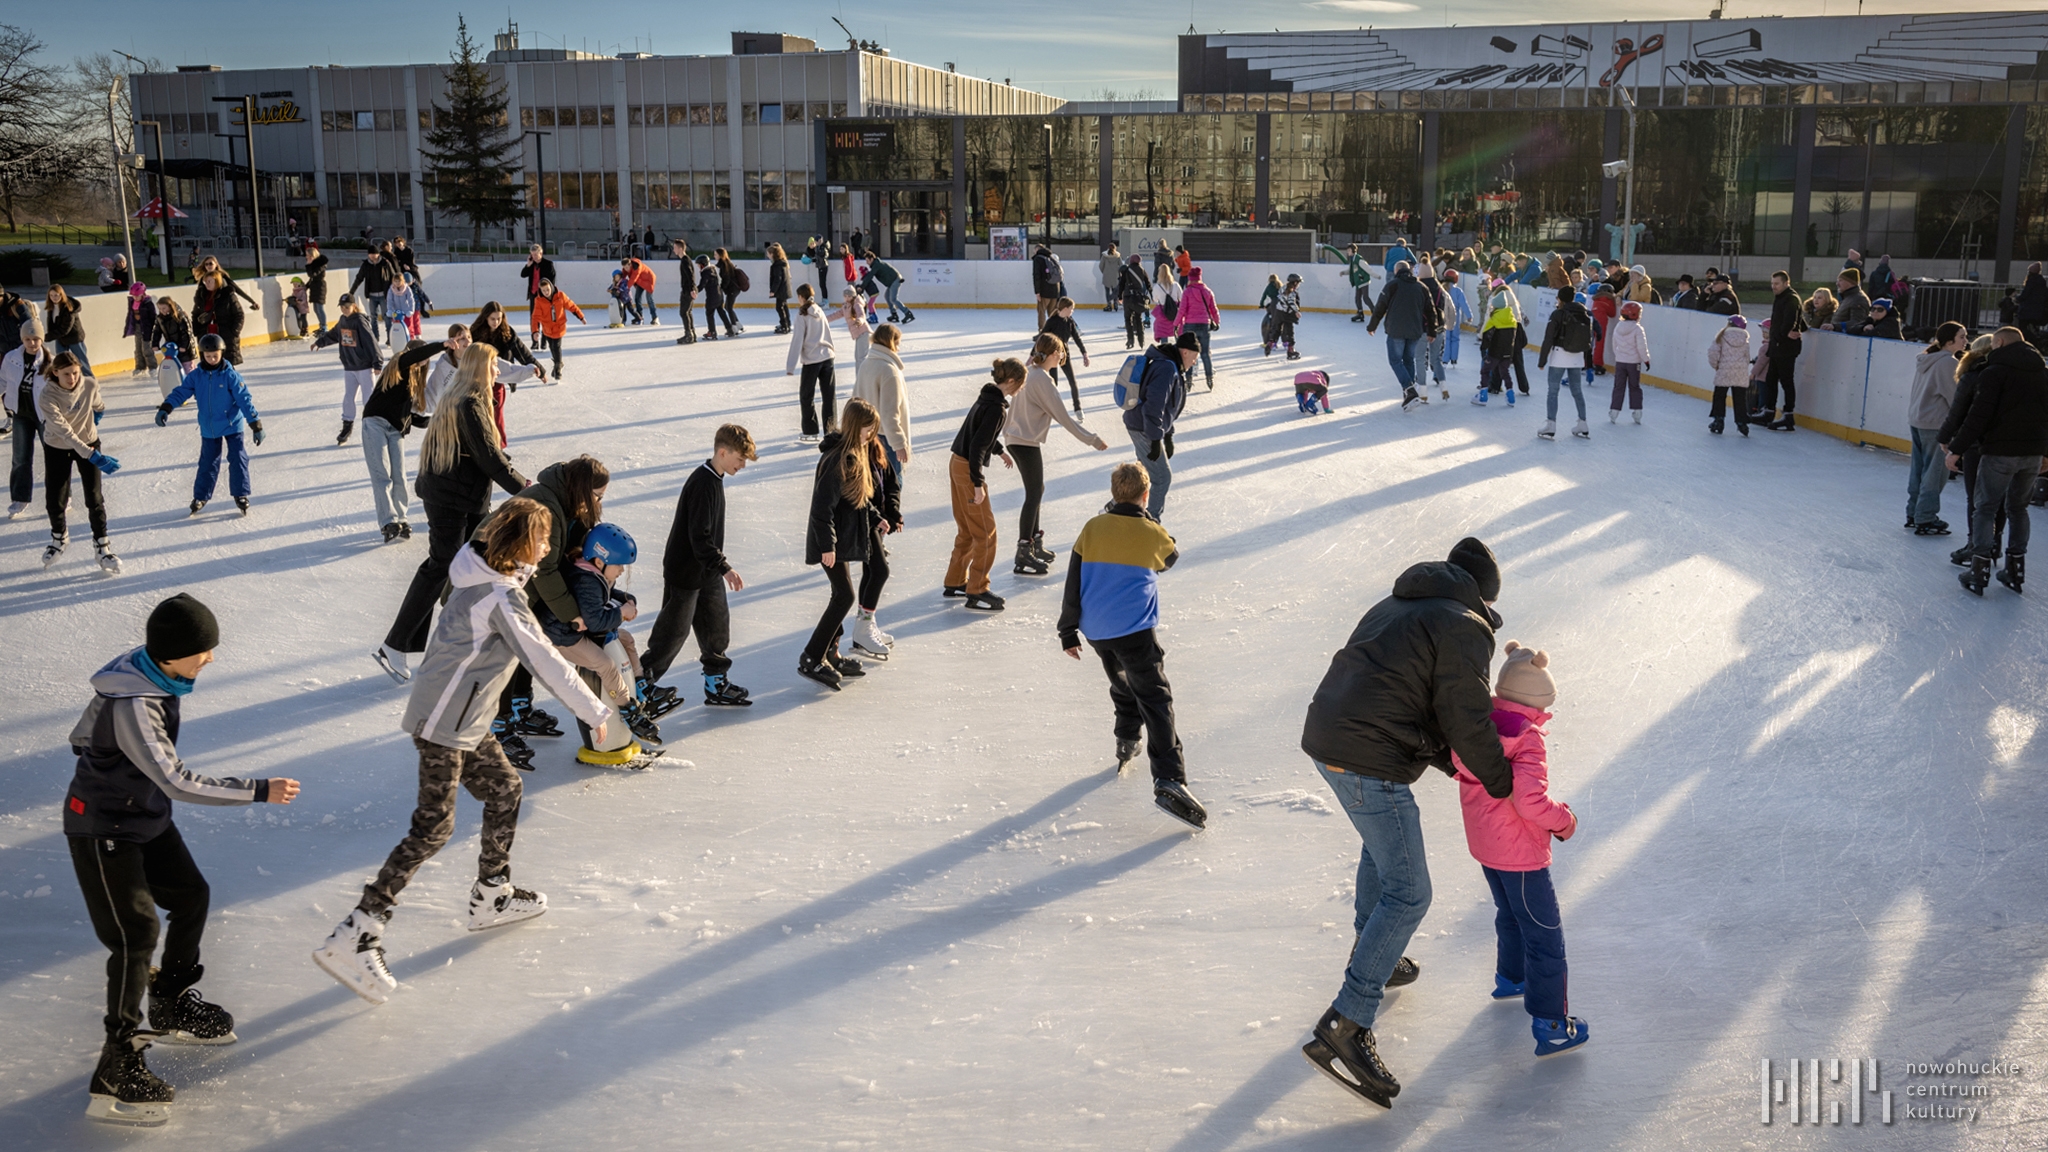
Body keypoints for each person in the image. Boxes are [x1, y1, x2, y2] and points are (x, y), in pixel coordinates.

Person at [315, 497, 610, 1005]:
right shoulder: (499, 596)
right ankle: (359, 930)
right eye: (542, 539)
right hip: (445, 722)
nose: (547, 547)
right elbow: (544, 657)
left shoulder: (488, 580)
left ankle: (491, 895)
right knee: (433, 827)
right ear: (520, 545)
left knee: (505, 790)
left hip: (464, 718)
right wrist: (595, 710)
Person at [66, 594, 301, 1126]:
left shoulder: (152, 673)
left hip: (143, 817)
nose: (210, 660)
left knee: (191, 896)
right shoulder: (135, 702)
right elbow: (174, 779)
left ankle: (170, 1002)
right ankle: (116, 1064)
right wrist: (258, 790)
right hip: (103, 826)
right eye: (203, 651)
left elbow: (83, 737)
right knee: (133, 938)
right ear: (173, 654)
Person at [1298, 537, 1515, 1110]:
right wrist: (1502, 782)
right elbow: (1463, 715)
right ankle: (1347, 1021)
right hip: (1370, 757)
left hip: (1328, 740)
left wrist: (1457, 765)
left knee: (1381, 847)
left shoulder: (1397, 603)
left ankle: (1377, 956)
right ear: (1483, 598)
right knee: (1410, 890)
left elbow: (1410, 698)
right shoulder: (1464, 625)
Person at [1448, 642, 1588, 1057]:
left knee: (1509, 914)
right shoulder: (1526, 739)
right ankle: (1552, 1025)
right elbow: (1529, 801)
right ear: (1540, 701)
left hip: (1486, 845)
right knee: (1545, 936)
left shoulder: (1476, 728)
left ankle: (1511, 977)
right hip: (1520, 852)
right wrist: (1564, 820)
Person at [1058, 460, 1205, 826]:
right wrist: (1149, 524)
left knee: (1122, 683)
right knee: (1156, 699)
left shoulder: (1092, 528)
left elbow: (1073, 580)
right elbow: (1170, 558)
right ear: (1146, 494)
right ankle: (1169, 777)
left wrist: (1067, 630)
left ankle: (1126, 737)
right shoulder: (1150, 532)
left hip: (1096, 632)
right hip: (1135, 631)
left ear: (1112, 493)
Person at [374, 344, 529, 687]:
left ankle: (464, 646)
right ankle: (395, 644)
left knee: (478, 569)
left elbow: (484, 455)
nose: (498, 372)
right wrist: (526, 489)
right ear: (478, 367)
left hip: (462, 496)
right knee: (442, 566)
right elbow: (490, 459)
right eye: (493, 366)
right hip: (450, 497)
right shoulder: (470, 402)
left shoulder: (461, 395)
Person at [532, 522, 668, 768]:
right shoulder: (587, 581)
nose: (622, 571)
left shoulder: (594, 573)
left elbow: (606, 594)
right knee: (605, 664)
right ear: (599, 561)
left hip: (579, 627)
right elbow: (596, 621)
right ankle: (627, 708)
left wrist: (626, 601)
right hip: (563, 636)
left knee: (626, 639)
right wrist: (622, 613)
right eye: (619, 566)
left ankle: (641, 685)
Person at [644, 424, 757, 711]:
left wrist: (716, 568)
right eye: (740, 459)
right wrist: (725, 567)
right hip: (685, 571)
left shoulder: (715, 478)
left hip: (706, 570)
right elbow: (699, 537)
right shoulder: (703, 484)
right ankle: (641, 686)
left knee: (717, 627)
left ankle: (716, 682)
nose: (742, 465)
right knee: (673, 633)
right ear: (723, 452)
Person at [801, 398, 901, 685]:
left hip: (837, 540)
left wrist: (875, 517)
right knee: (844, 595)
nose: (870, 436)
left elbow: (856, 501)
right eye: (867, 429)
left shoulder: (853, 455)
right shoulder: (840, 459)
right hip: (829, 541)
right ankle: (811, 656)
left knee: (842, 595)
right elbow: (823, 508)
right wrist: (827, 546)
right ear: (856, 426)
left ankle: (830, 655)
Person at [1948, 328, 2048, 596]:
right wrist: (2045, 453)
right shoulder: (2042, 372)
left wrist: (1955, 449)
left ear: (2000, 342)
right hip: (2032, 454)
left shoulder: (1994, 372)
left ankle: (1979, 569)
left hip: (2000, 452)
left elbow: (1978, 415)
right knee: (2018, 509)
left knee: (1985, 508)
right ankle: (2015, 570)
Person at [1009, 333, 1110, 576]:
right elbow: (1063, 417)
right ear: (1054, 354)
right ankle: (1024, 552)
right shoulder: (1041, 379)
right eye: (1061, 353)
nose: (1063, 357)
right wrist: (1092, 439)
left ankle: (1034, 542)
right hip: (1024, 440)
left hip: (1017, 438)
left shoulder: (1029, 372)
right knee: (1034, 493)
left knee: (1037, 490)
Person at [942, 359, 1022, 611]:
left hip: (956, 463)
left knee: (967, 528)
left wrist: (999, 451)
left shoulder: (986, 397)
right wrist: (978, 483)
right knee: (986, 532)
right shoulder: (997, 408)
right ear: (1010, 381)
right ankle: (977, 589)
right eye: (1021, 383)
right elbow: (977, 444)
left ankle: (955, 581)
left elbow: (979, 433)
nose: (1021, 387)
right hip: (968, 469)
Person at [156, 335, 263, 516]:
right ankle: (201, 496)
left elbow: (244, 400)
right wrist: (166, 407)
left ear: (221, 353)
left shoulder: (231, 376)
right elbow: (181, 392)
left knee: (238, 458)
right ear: (202, 355)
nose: (212, 359)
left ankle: (241, 494)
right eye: (208, 356)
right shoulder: (196, 376)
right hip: (209, 426)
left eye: (215, 356)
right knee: (207, 462)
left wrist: (255, 423)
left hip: (232, 424)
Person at [34, 351, 119, 572]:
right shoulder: (47, 396)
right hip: (58, 447)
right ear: (55, 373)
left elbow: (99, 404)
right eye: (66, 374)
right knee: (56, 496)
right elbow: (66, 433)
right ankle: (59, 538)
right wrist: (91, 454)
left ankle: (102, 546)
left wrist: (98, 414)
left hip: (89, 442)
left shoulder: (89, 384)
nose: (72, 378)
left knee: (94, 497)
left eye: (75, 373)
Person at [1124, 332, 1196, 522]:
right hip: (1143, 427)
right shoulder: (1166, 368)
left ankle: (1116, 508)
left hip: (1142, 425)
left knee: (1143, 476)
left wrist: (1168, 434)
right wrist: (1156, 438)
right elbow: (1153, 406)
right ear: (1186, 352)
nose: (1195, 362)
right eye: (1195, 357)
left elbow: (1168, 406)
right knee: (1162, 478)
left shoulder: (1170, 365)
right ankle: (1150, 522)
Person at [1907, 322, 1969, 535]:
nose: (1966, 341)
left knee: (1918, 470)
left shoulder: (1928, 359)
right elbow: (1955, 398)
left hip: (1918, 420)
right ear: (1949, 341)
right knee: (1935, 473)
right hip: (1935, 424)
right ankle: (1925, 517)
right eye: (1962, 337)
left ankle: (1913, 512)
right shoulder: (1947, 363)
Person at [311, 294, 385, 446]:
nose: (344, 310)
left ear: (354, 306)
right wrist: (320, 342)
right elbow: (333, 335)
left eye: (347, 307)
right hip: (349, 366)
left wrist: (377, 362)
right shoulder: (343, 320)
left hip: (364, 367)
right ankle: (347, 427)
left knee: (368, 399)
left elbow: (371, 341)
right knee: (348, 397)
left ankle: (374, 428)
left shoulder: (359, 321)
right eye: (342, 307)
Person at [1368, 261, 1437, 411]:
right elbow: (1431, 311)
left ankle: (1410, 391)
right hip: (1414, 331)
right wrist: (1432, 331)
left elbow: (1380, 306)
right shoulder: (1421, 287)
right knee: (1408, 360)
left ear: (1396, 270)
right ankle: (1409, 396)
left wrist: (1372, 326)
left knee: (1395, 360)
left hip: (1396, 330)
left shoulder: (1392, 285)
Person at [852, 323, 911, 484]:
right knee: (892, 486)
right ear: (891, 342)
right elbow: (889, 414)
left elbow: (855, 400)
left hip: (866, 436)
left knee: (873, 486)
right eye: (897, 343)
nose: (898, 348)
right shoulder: (889, 371)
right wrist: (899, 444)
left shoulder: (866, 364)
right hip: (887, 441)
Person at [1536, 286, 1593, 440]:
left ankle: (1551, 425)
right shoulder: (1584, 313)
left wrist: (1542, 360)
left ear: (1560, 298)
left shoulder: (1558, 314)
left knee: (1553, 391)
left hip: (1560, 355)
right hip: (1577, 356)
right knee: (1577, 391)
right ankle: (1583, 422)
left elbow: (1548, 338)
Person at [1750, 271, 1805, 430]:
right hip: (1777, 346)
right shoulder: (1781, 297)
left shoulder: (1791, 298)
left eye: (1777, 284)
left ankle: (1788, 415)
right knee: (1771, 380)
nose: (1773, 286)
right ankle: (1768, 411)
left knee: (1786, 381)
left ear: (1786, 283)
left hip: (1785, 348)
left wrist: (1782, 335)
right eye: (1772, 283)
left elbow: (1790, 320)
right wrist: (1799, 329)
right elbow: (1798, 320)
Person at [5, 324, 50, 516]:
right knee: (20, 459)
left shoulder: (50, 361)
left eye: (36, 339)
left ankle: (63, 496)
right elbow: (2, 380)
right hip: (21, 415)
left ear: (42, 339)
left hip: (44, 416)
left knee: (54, 458)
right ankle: (20, 498)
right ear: (22, 340)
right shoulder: (12, 358)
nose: (32, 343)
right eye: (28, 339)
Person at [786, 283, 839, 443]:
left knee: (806, 396)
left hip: (812, 361)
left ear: (801, 297)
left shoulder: (802, 315)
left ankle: (810, 431)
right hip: (827, 358)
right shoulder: (820, 311)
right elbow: (828, 333)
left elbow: (797, 341)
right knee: (829, 396)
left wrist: (790, 366)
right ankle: (831, 432)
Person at [1038, 297, 1093, 412]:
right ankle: (1050, 407)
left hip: (1064, 356)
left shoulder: (1070, 322)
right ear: (1066, 308)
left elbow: (1077, 338)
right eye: (1071, 309)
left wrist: (1084, 353)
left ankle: (1078, 408)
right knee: (1054, 383)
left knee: (1073, 382)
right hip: (1052, 357)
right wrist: (1033, 355)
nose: (1072, 311)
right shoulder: (1052, 322)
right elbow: (1041, 339)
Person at [528, 279, 587, 382]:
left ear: (551, 287)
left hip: (559, 327)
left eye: (547, 289)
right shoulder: (539, 301)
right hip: (547, 329)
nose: (546, 292)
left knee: (556, 346)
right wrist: (535, 331)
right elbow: (535, 317)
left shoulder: (560, 296)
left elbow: (572, 306)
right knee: (552, 348)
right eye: (543, 290)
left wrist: (581, 317)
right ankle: (558, 363)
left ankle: (558, 367)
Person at [1704, 315, 1753, 437]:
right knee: (1740, 398)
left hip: (1724, 371)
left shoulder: (1721, 337)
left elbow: (1713, 353)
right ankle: (1742, 422)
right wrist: (1742, 369)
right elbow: (1747, 357)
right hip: (1740, 373)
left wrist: (1716, 366)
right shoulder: (1745, 339)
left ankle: (1718, 420)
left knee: (1720, 396)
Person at [1471, 285, 1520, 408]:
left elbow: (1487, 335)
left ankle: (1483, 395)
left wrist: (1483, 347)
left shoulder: (1494, 318)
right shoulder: (1512, 319)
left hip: (1494, 352)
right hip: (1508, 352)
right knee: (1505, 372)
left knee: (1485, 371)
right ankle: (1510, 396)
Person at [1174, 268, 1221, 391]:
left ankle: (1188, 380)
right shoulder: (1208, 291)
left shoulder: (1187, 292)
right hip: (1204, 325)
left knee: (1188, 354)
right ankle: (1209, 378)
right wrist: (1216, 321)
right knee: (1205, 353)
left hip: (1190, 326)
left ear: (1190, 279)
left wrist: (1176, 324)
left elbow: (1182, 310)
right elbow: (1214, 309)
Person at [1605, 300, 1650, 424]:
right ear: (1635, 315)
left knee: (1618, 387)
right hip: (1634, 363)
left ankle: (1614, 411)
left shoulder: (1618, 326)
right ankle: (1637, 412)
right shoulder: (1638, 329)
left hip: (1620, 362)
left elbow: (1614, 345)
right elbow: (1641, 346)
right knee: (1634, 387)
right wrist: (1646, 360)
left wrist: (1619, 356)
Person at [189, 268, 246, 366]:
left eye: (210, 281)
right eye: (205, 281)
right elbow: (195, 314)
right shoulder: (201, 296)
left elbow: (239, 314)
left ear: (217, 281)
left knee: (226, 365)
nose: (207, 283)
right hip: (206, 333)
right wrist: (196, 329)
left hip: (225, 334)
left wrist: (234, 331)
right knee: (209, 364)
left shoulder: (228, 295)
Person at [1416, 263, 1452, 398]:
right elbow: (1447, 307)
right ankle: (1444, 387)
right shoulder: (1440, 289)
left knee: (1419, 358)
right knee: (1435, 358)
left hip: (1424, 328)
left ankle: (1423, 390)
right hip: (1440, 328)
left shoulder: (1419, 288)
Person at [349, 247, 397, 344]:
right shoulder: (366, 265)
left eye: (373, 254)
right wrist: (351, 292)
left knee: (387, 317)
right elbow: (359, 278)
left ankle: (390, 338)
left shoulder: (385, 263)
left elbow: (393, 276)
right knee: (373, 317)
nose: (372, 256)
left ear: (378, 254)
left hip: (384, 295)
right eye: (370, 254)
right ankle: (375, 337)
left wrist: (395, 290)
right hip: (372, 295)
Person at [45, 285, 92, 378]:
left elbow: (65, 329)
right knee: (61, 362)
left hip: (74, 338)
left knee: (81, 362)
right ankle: (63, 382)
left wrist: (46, 337)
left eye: (56, 295)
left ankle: (91, 381)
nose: (54, 298)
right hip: (60, 338)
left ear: (62, 295)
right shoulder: (51, 308)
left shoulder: (69, 308)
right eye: (51, 295)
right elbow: (52, 325)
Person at [1321, 241, 1375, 322]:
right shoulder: (1352, 259)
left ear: (1353, 250)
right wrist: (1344, 272)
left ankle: (1374, 313)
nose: (1347, 252)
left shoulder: (1358, 258)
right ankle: (1360, 314)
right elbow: (1351, 270)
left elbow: (1366, 268)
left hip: (1363, 280)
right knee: (1357, 298)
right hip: (1358, 281)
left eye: (1349, 250)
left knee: (1365, 298)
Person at [124, 284, 159, 376]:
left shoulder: (148, 304)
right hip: (137, 327)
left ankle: (152, 367)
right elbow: (130, 315)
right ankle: (140, 367)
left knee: (147, 348)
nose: (135, 297)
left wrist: (154, 329)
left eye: (137, 295)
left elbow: (153, 317)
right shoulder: (132, 302)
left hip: (147, 328)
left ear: (142, 294)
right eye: (133, 295)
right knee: (138, 348)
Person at [867, 251, 912, 323]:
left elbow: (870, 276)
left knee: (893, 299)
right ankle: (894, 314)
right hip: (893, 281)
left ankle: (907, 313)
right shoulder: (876, 264)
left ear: (872, 259)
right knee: (887, 296)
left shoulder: (877, 265)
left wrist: (862, 286)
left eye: (867, 260)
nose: (867, 262)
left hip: (895, 280)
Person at [1117, 255, 1150, 350]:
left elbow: (1121, 284)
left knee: (1128, 319)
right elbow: (1147, 283)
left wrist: (1120, 296)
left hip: (1127, 298)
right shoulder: (1142, 270)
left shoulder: (1126, 270)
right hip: (1138, 298)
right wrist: (1150, 294)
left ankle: (1130, 340)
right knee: (1138, 318)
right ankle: (1141, 340)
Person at [1268, 274, 1304, 360]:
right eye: (1298, 283)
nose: (1299, 284)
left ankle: (1270, 344)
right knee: (1290, 333)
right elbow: (1291, 302)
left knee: (1277, 330)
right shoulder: (1291, 291)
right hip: (1287, 314)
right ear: (1295, 282)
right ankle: (1291, 352)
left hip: (1279, 313)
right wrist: (1296, 311)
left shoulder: (1283, 288)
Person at [670, 240, 699, 345]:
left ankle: (689, 335)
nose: (674, 250)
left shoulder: (685, 260)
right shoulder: (686, 260)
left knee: (683, 312)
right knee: (687, 312)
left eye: (675, 248)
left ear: (680, 249)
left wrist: (691, 289)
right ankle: (692, 334)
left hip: (687, 290)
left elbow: (690, 275)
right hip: (688, 289)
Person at [1443, 268, 1472, 369]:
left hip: (1444, 316)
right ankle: (1454, 359)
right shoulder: (1458, 291)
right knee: (1455, 338)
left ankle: (1445, 359)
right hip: (1455, 317)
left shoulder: (1442, 289)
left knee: (1446, 338)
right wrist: (1469, 316)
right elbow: (1464, 304)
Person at [1032, 244, 1066, 329]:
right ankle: (1054, 330)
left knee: (1041, 311)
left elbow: (1037, 276)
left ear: (1037, 250)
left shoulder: (1038, 259)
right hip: (1055, 289)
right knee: (1052, 312)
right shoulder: (1051, 257)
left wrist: (1037, 291)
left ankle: (1042, 331)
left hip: (1044, 290)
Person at [1149, 261, 1182, 346]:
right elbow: (1181, 297)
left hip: (1162, 312)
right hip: (1175, 311)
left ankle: (1165, 350)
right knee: (1177, 330)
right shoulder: (1175, 285)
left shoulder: (1157, 286)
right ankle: (1179, 349)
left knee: (1163, 332)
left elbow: (1155, 299)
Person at [303, 240, 332, 333]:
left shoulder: (320, 265)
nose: (306, 257)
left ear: (312, 256)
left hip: (320, 287)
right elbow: (312, 279)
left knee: (320, 308)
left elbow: (312, 275)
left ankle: (324, 327)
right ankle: (321, 325)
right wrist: (306, 286)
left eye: (307, 255)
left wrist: (308, 265)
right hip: (315, 286)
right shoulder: (314, 264)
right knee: (316, 309)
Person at [715, 248, 745, 335]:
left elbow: (726, 279)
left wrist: (721, 288)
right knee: (728, 307)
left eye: (716, 254)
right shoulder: (726, 263)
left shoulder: (724, 265)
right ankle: (738, 325)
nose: (714, 256)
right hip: (734, 289)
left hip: (732, 289)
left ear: (720, 255)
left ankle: (734, 327)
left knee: (728, 307)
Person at [694, 255, 724, 341]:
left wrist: (694, 291)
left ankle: (712, 332)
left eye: (699, 265)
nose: (698, 267)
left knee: (709, 314)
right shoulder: (712, 270)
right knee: (719, 312)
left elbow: (702, 284)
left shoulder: (706, 272)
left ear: (703, 264)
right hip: (718, 294)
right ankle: (729, 328)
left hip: (712, 296)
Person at [624, 255, 659, 326]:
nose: (626, 269)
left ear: (630, 264)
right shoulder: (626, 268)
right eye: (624, 268)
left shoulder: (637, 267)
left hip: (649, 280)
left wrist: (625, 288)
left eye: (627, 267)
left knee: (649, 299)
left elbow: (633, 279)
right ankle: (639, 317)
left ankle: (655, 317)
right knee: (637, 298)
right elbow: (622, 276)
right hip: (640, 281)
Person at [767, 243, 793, 333]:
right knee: (784, 306)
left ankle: (784, 326)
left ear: (773, 254)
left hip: (781, 290)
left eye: (769, 253)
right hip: (783, 289)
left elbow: (778, 279)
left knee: (779, 307)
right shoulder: (782, 263)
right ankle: (786, 324)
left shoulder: (777, 265)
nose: (768, 255)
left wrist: (773, 290)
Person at [1098, 244, 1123, 312]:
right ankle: (1115, 304)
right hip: (1115, 276)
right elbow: (1121, 266)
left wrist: (1104, 272)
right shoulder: (1118, 256)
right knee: (1115, 291)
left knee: (1107, 291)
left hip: (1106, 275)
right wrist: (1119, 273)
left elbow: (1100, 266)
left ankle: (1109, 305)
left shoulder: (1104, 256)